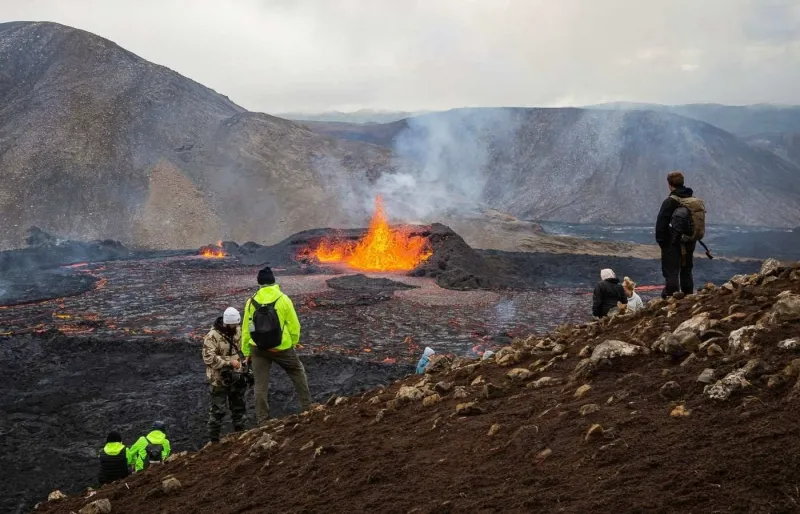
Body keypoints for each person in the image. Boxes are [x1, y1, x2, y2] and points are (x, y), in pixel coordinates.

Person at [242, 266, 311, 425]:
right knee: (297, 371)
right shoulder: (283, 299)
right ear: (274, 281)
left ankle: (263, 420)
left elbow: (246, 328)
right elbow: (294, 325)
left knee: (260, 385)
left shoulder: (251, 302)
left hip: (258, 348)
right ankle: (307, 408)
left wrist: (247, 352)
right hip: (281, 348)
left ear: (259, 283)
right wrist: (293, 342)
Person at [203, 307, 248, 443]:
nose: (236, 327)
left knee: (239, 407)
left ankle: (240, 435)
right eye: (233, 325)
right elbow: (208, 358)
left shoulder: (238, 330)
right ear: (227, 323)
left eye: (237, 324)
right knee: (217, 411)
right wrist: (230, 363)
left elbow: (243, 347)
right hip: (219, 380)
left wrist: (245, 359)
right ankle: (214, 440)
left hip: (237, 377)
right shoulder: (212, 336)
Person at [655, 171, 698, 298]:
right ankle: (688, 298)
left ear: (669, 184)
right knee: (686, 271)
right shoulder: (692, 200)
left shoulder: (670, 202)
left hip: (672, 244)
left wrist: (663, 243)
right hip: (689, 242)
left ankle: (672, 301)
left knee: (671, 273)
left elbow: (661, 225)